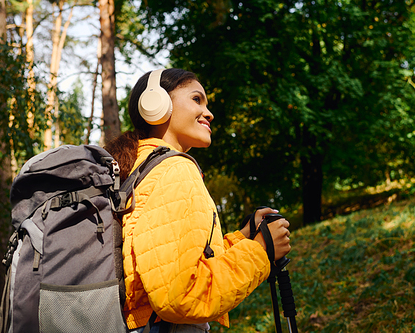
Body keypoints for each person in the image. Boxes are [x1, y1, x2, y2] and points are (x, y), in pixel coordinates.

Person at [105, 68, 292, 333]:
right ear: (156, 103)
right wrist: (261, 250)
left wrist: (245, 236)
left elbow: (177, 263)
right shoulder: (174, 170)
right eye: (197, 99)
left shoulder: (140, 170)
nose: (209, 113)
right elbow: (180, 296)